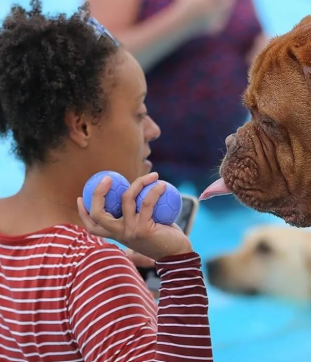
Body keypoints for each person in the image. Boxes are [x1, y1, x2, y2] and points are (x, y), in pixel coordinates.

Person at [0, 2, 213, 361]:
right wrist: (177, 265)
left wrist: (138, 298)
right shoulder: (89, 267)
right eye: (139, 113)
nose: (153, 129)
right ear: (81, 125)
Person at [88, 0, 268, 212]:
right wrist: (183, 22)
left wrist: (264, 53)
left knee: (237, 230)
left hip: (225, 149)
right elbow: (98, 67)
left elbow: (249, 32)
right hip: (148, 154)